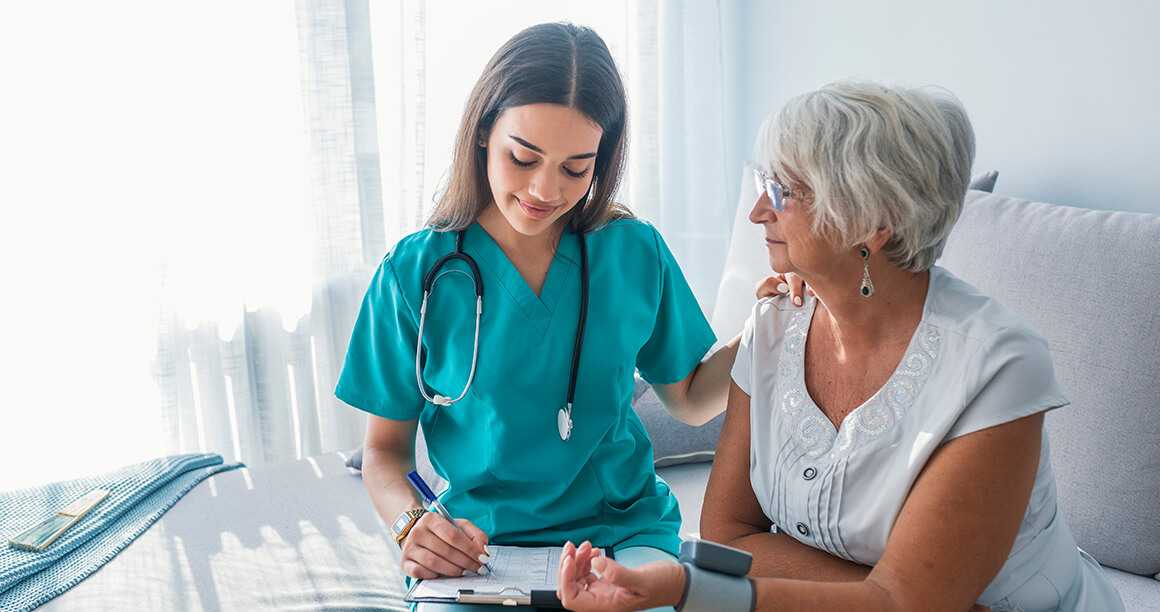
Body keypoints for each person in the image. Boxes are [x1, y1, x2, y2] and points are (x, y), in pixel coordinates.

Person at [557, 81, 1124, 611]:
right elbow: (729, 535)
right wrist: (894, 592)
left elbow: (901, 601)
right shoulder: (776, 325)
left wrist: (691, 587)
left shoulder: (998, 366)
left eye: (782, 192)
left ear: (873, 222)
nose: (758, 212)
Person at [335, 22, 743, 611]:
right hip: (479, 548)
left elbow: (688, 398)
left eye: (575, 169)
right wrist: (411, 524)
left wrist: (769, 327)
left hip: (622, 535)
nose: (543, 190)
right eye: (523, 158)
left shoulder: (630, 252)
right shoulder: (414, 273)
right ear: (482, 133)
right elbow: (384, 453)